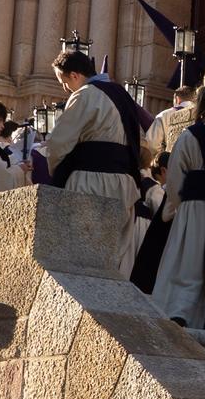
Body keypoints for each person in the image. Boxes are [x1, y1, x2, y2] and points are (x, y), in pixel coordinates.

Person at [39, 48, 153, 277]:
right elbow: (144, 146)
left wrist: (57, 171)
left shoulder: (85, 94)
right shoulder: (123, 96)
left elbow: (59, 143)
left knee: (81, 258)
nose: (64, 88)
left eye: (62, 81)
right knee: (108, 260)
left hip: (90, 182)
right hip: (125, 186)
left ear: (73, 75)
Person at [150, 86, 205, 328]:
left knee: (188, 262)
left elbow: (175, 178)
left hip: (195, 207)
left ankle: (181, 311)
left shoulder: (190, 136)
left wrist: (177, 207)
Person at [131, 154, 171, 293]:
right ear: (164, 171)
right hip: (141, 232)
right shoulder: (154, 188)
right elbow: (160, 210)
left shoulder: (141, 180)